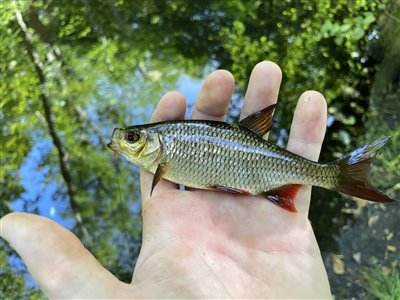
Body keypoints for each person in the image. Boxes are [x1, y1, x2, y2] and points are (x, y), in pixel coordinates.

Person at [1, 61, 332, 298]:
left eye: (131, 139)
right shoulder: (161, 162)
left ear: (152, 144)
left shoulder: (165, 160)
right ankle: (333, 176)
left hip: (253, 167)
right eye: (131, 139)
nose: (123, 143)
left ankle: (334, 176)